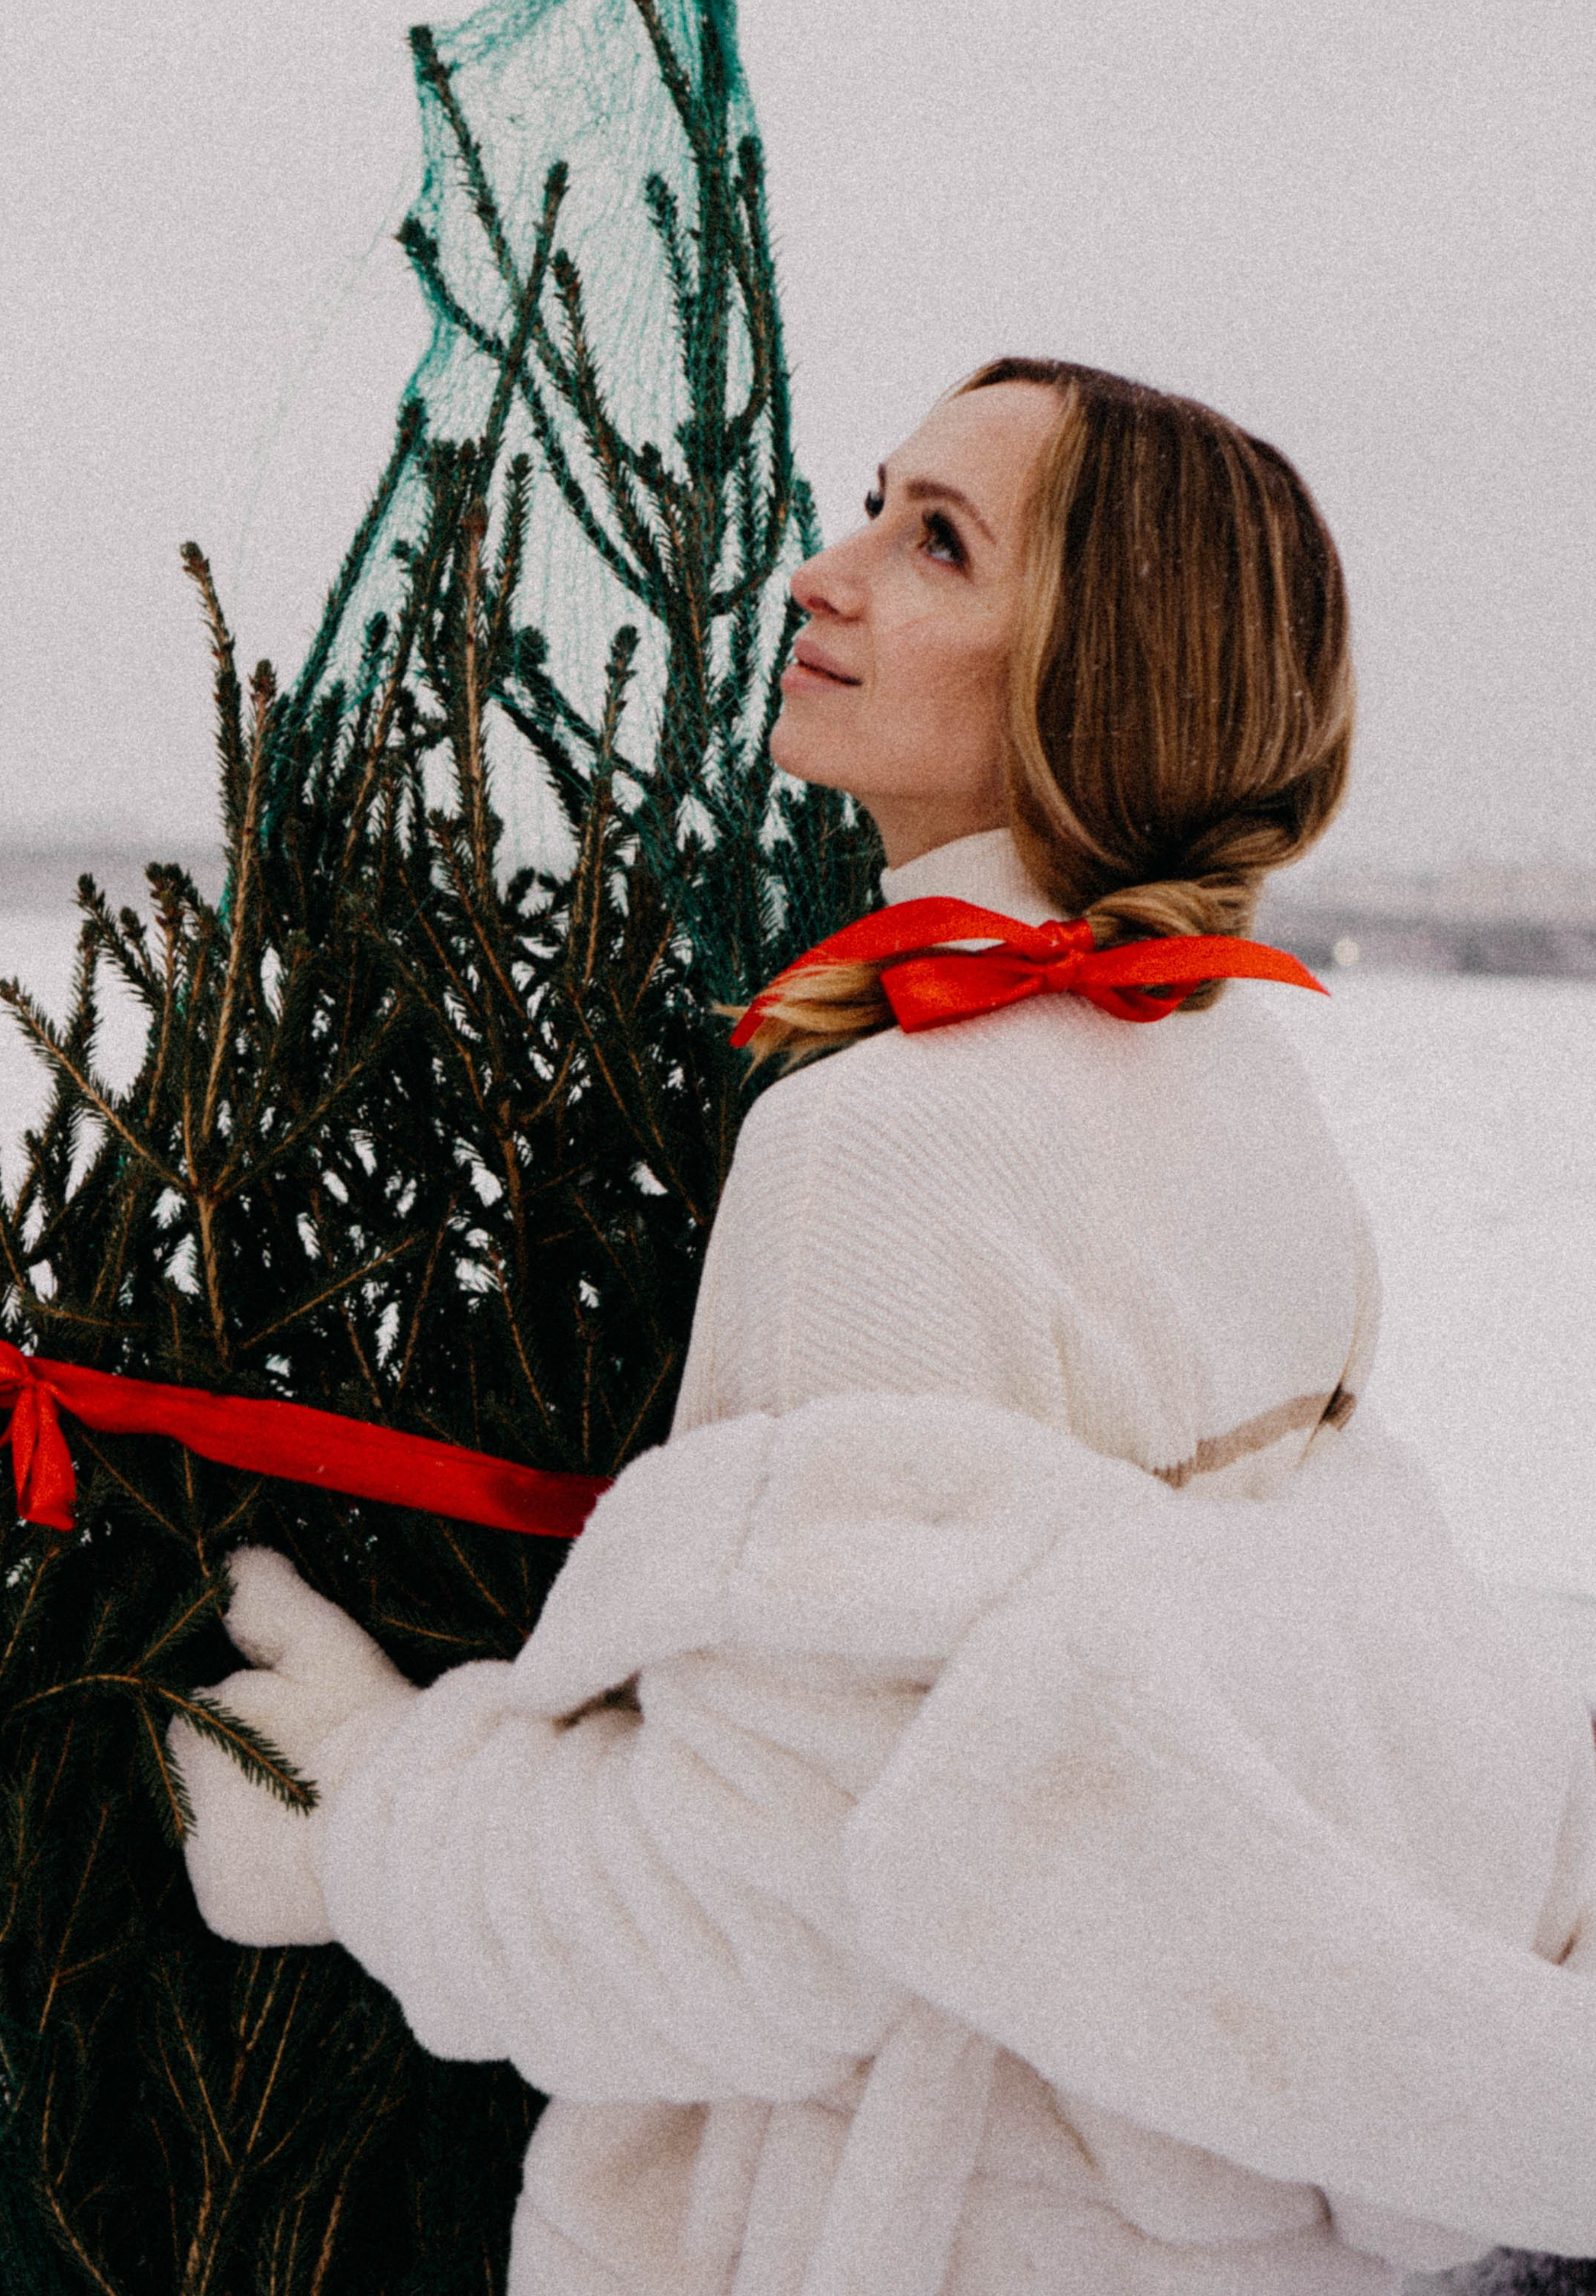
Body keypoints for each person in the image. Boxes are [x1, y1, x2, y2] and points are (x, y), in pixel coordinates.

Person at [173, 361, 1596, 2293]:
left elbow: (764, 1923)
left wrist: (361, 1809)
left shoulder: (886, 1142)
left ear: (1099, 668)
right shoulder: (1226, 1069)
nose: (816, 578)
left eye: (935, 543)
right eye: (871, 507)